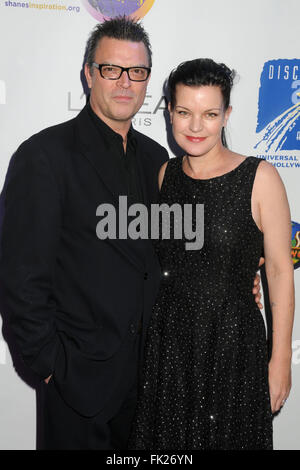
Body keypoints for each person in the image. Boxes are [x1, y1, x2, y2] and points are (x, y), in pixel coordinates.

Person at [0, 20, 262, 450]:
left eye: (136, 71)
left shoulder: (159, 162)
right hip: (79, 386)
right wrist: (51, 366)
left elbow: (176, 254)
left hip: (155, 382)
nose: (125, 82)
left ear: (147, 80)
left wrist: (236, 279)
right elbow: (20, 278)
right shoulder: (43, 157)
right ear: (88, 74)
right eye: (111, 69)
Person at [129, 58, 295, 450]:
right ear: (169, 112)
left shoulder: (260, 177)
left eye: (209, 114)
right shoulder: (164, 176)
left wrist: (281, 358)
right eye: (184, 112)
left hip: (233, 346)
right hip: (170, 346)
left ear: (227, 115)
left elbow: (279, 271)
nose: (195, 126)